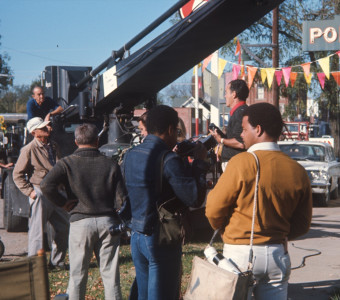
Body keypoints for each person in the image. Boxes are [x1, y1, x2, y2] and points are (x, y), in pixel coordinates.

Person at [205, 102, 313, 299]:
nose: (242, 135)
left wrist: (223, 230)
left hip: (239, 253)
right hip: (277, 254)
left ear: (259, 129)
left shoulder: (241, 163)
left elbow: (213, 209)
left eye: (244, 129)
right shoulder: (297, 170)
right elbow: (302, 224)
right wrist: (280, 236)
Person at [122, 105, 209, 300]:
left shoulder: (130, 155)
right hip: (160, 235)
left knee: (143, 295)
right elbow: (193, 197)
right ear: (170, 129)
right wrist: (199, 163)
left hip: (137, 234)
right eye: (176, 131)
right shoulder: (168, 159)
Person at [41, 123, 126, 300]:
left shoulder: (67, 163)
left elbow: (45, 185)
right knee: (111, 276)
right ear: (97, 140)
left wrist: (63, 203)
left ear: (76, 141)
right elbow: (122, 198)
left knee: (78, 275)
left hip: (80, 222)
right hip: (108, 222)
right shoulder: (110, 164)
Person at [13, 117, 69, 268]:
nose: (48, 129)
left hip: (56, 192)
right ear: (34, 132)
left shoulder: (54, 145)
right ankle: (35, 265)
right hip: (40, 192)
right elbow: (17, 175)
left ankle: (57, 262)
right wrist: (31, 192)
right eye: (43, 128)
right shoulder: (28, 149)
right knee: (37, 232)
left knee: (64, 228)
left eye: (47, 126)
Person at [209, 79, 248, 171]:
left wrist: (221, 139)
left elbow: (241, 143)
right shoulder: (240, 112)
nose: (225, 96)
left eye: (226, 92)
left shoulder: (239, 113)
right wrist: (221, 136)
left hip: (235, 164)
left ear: (234, 94)